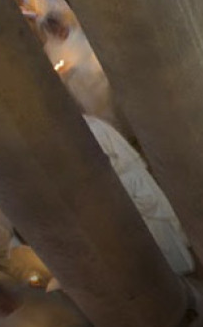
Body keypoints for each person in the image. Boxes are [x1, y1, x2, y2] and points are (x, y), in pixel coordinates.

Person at [83, 115, 195, 275]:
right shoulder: (89, 124)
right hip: (123, 183)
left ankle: (177, 267)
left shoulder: (92, 126)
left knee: (156, 225)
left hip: (129, 182)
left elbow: (110, 159)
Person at [41, 15, 119, 127]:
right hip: (81, 87)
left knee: (111, 105)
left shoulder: (78, 34)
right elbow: (57, 70)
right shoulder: (52, 49)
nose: (60, 33)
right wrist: (64, 71)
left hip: (98, 78)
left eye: (59, 29)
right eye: (55, 32)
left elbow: (90, 52)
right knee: (99, 114)